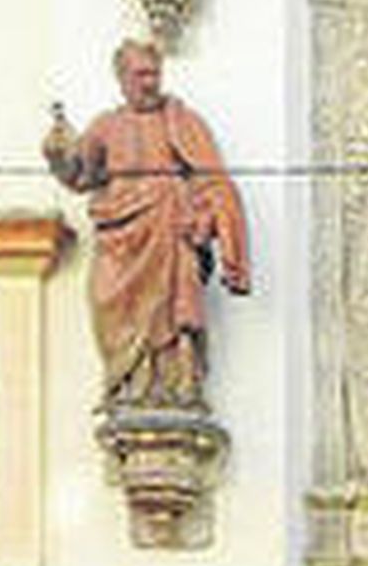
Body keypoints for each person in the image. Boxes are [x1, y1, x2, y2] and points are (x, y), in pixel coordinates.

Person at [43, 40, 250, 414]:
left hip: (170, 227)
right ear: (121, 79)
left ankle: (179, 383)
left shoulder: (183, 122)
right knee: (107, 298)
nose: (149, 83)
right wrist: (58, 153)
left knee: (178, 308)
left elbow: (214, 181)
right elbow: (80, 175)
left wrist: (208, 217)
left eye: (154, 74)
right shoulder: (105, 127)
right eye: (140, 75)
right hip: (120, 237)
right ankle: (128, 385)